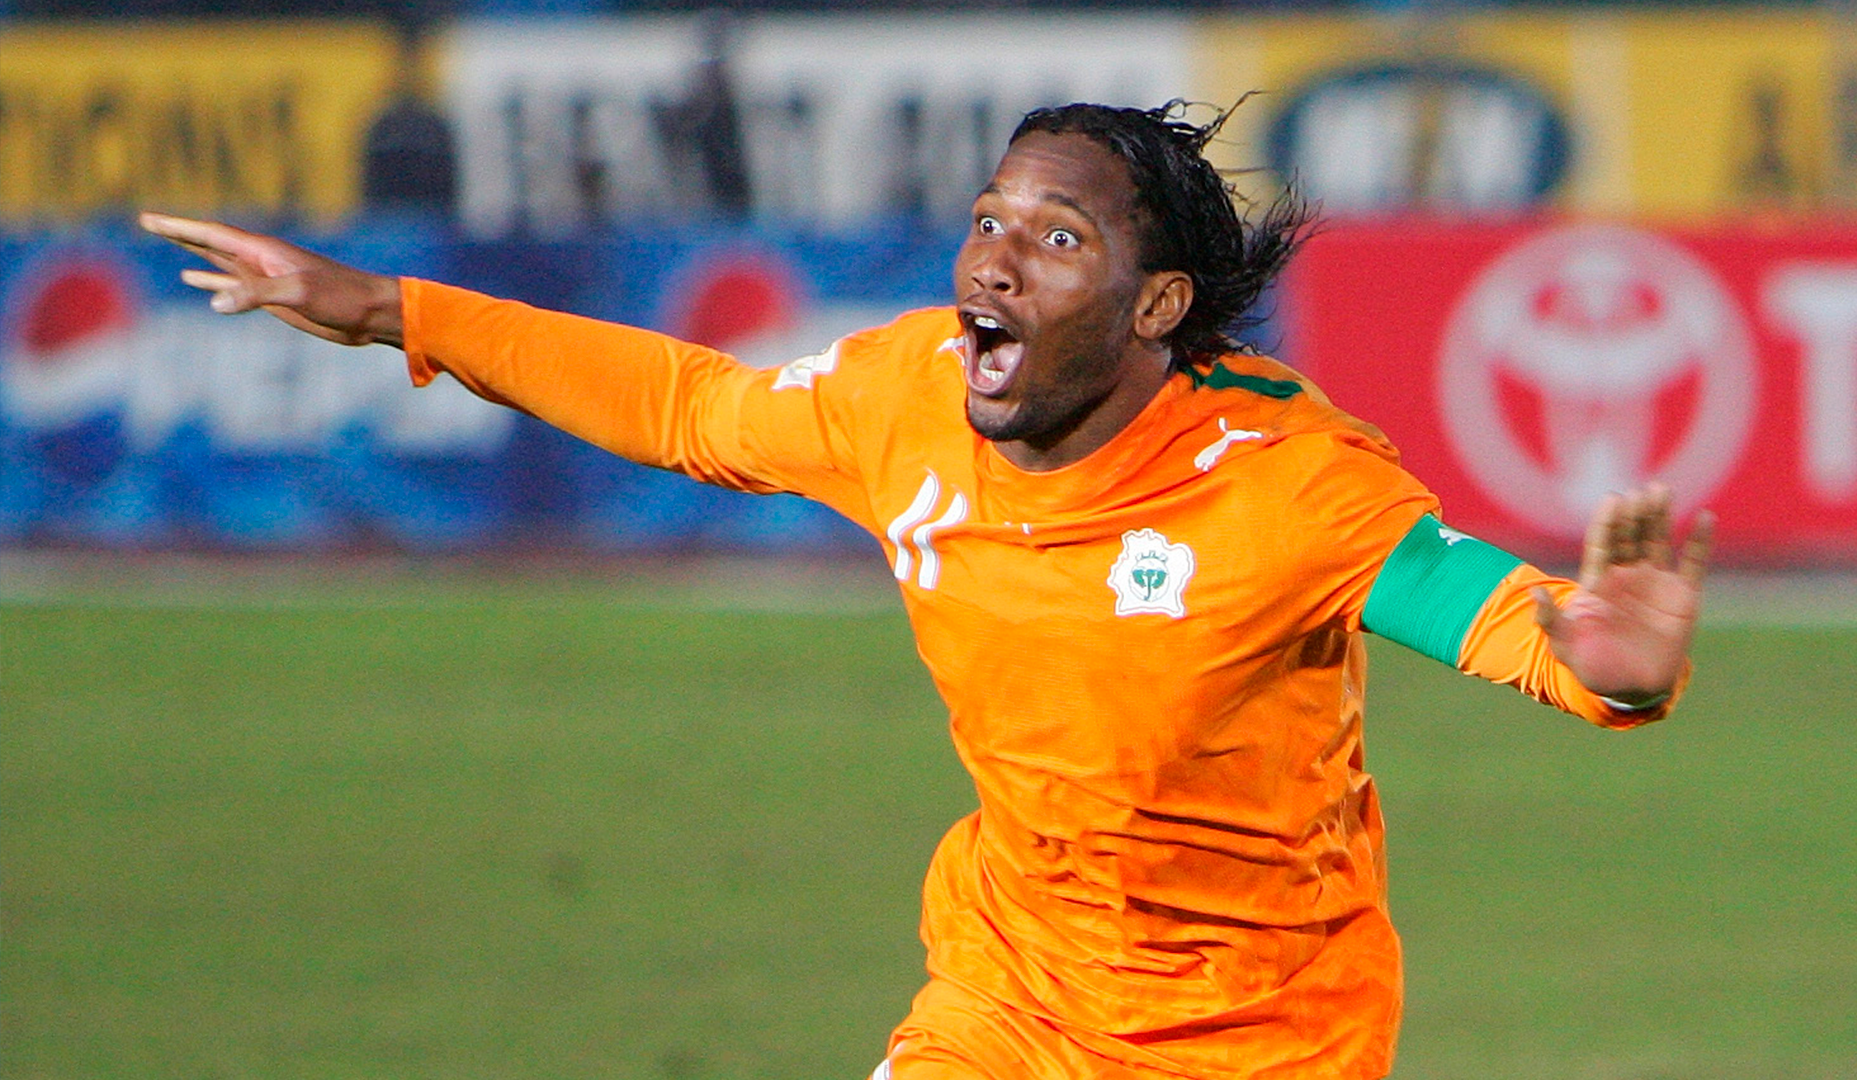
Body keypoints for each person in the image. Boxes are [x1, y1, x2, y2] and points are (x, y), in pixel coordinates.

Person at [141, 101, 1710, 1080]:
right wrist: (388, 308)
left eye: (1056, 234)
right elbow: (687, 404)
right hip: (1007, 993)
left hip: (1261, 1038)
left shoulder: (1289, 482)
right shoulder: (906, 396)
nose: (994, 260)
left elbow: (1492, 612)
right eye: (988, 221)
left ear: (1157, 305)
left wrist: (1605, 663)